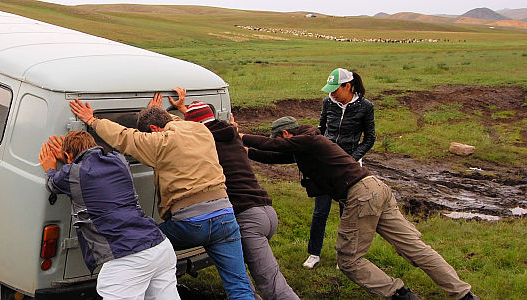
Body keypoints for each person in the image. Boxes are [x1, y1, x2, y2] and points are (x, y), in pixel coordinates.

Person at [241, 116, 479, 300]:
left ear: (285, 133)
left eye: (279, 139)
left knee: (349, 260)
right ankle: (463, 293)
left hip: (361, 195)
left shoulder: (310, 140)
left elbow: (275, 146)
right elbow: (275, 156)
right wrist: (248, 152)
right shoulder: (307, 145)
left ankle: (400, 294)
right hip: (376, 188)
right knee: (415, 247)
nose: (279, 144)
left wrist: (240, 136)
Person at [69, 91, 254, 300]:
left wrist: (92, 121)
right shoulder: (200, 130)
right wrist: (158, 112)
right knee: (239, 286)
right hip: (225, 218)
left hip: (190, 224)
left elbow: (124, 137)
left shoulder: (160, 143)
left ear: (155, 129)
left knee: (143, 244)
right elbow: (175, 122)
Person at [172, 93, 298, 300]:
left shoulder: (205, 143)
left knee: (269, 285)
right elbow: (206, 123)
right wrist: (187, 110)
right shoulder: (231, 134)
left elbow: (197, 130)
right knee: (242, 278)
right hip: (266, 212)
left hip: (246, 218)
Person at [40, 131, 179, 300]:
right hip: (160, 247)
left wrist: (50, 168)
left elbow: (53, 184)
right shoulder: (120, 161)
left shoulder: (72, 173)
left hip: (127, 259)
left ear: (68, 156)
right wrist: (73, 161)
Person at [304, 67, 376, 269]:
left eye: (336, 89)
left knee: (347, 213)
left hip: (350, 166)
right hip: (325, 163)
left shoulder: (366, 106)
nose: (332, 93)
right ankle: (313, 253)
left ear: (348, 86)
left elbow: (370, 138)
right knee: (320, 211)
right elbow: (322, 128)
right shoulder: (328, 102)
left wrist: (352, 159)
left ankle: (344, 256)